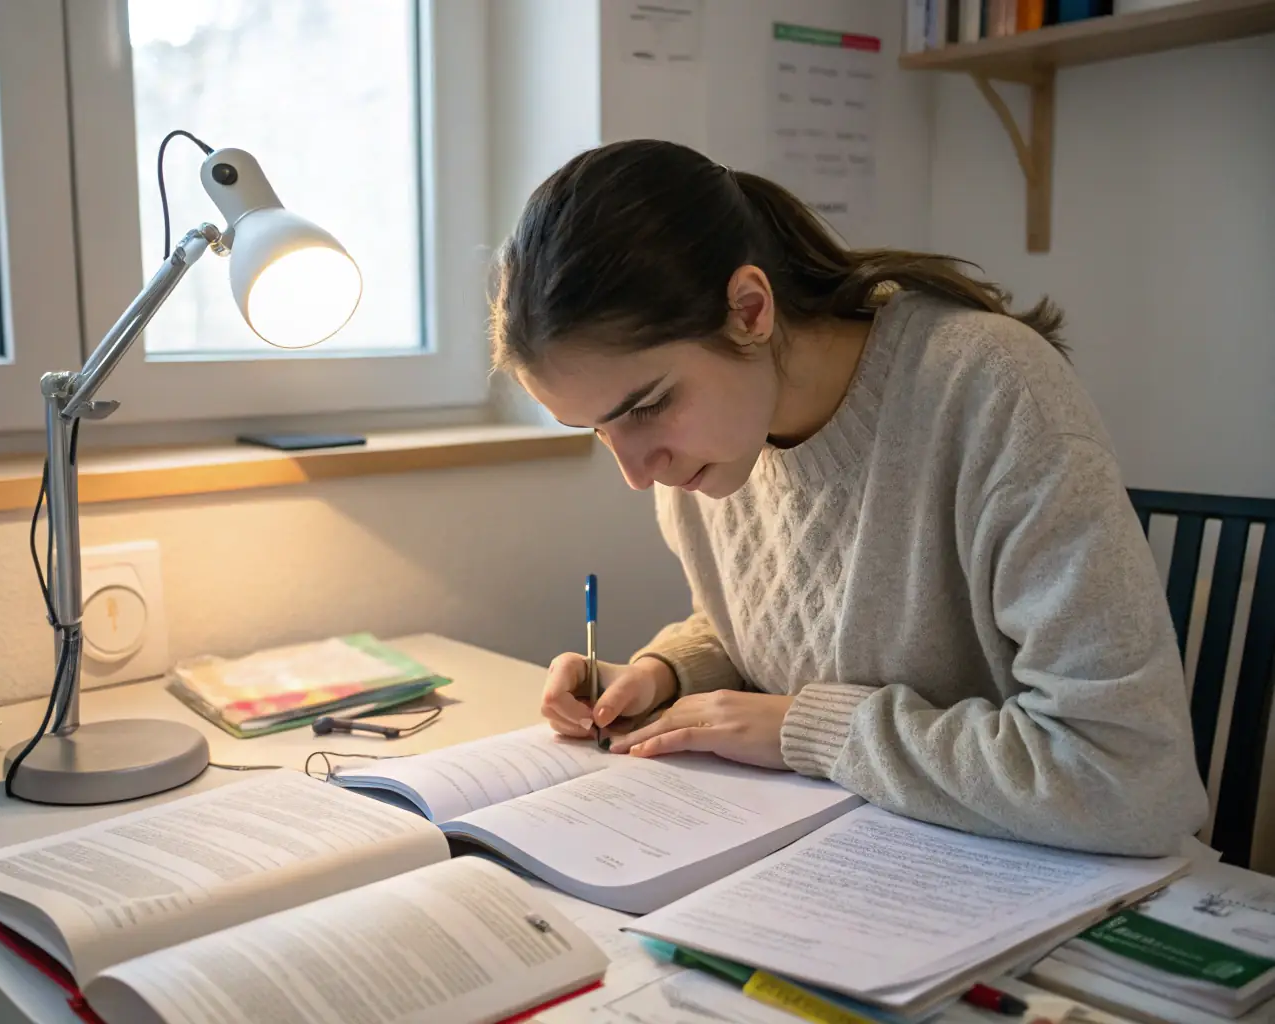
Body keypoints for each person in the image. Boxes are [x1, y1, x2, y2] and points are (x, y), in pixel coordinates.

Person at [487, 138, 1207, 857]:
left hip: (1036, 879)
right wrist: (665, 672)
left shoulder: (990, 388)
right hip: (846, 852)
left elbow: (1130, 780)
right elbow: (781, 626)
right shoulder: (709, 451)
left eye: (644, 407)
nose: (636, 472)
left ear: (748, 309)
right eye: (594, 429)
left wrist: (812, 730)